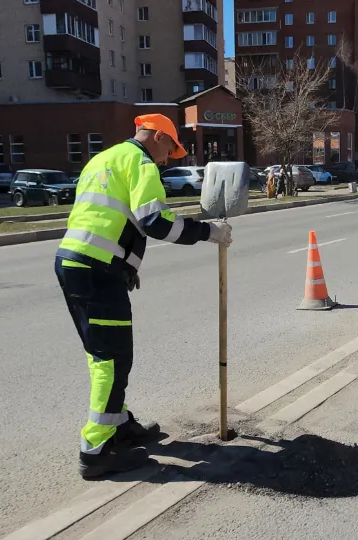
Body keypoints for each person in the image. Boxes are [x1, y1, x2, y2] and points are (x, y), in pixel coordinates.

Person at [55, 113, 234, 478]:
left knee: (104, 353)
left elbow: (108, 217)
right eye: (169, 147)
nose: (168, 158)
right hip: (96, 271)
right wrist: (209, 232)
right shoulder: (141, 162)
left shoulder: (103, 159)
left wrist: (126, 266)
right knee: (112, 358)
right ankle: (96, 450)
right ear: (156, 136)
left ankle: (118, 426)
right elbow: (156, 222)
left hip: (79, 264)